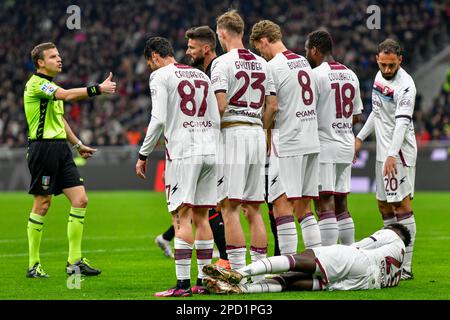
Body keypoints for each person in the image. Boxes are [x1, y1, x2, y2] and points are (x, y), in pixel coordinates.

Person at [135, 37, 221, 297]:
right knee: (202, 216)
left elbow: (158, 118)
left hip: (184, 153)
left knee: (181, 217)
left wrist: (143, 153)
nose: (151, 67)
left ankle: (182, 286)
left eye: (150, 63)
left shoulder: (160, 76)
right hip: (210, 150)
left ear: (154, 57)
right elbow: (215, 115)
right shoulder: (200, 74)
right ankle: (204, 282)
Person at [24, 42, 116, 278]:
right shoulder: (37, 84)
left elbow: (60, 121)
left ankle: (74, 261)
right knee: (42, 204)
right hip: (42, 149)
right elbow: (65, 96)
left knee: (80, 199)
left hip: (60, 151)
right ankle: (33, 264)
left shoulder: (51, 86)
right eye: (53, 56)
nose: (59, 59)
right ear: (40, 63)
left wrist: (77, 145)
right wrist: (97, 89)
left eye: (59, 55)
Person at [153, 26, 230, 269]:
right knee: (204, 207)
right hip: (212, 144)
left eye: (191, 47)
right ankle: (222, 263)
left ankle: (225, 261)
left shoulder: (216, 69)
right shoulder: (201, 72)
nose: (187, 52)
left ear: (206, 48)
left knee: (208, 207)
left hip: (220, 142)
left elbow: (219, 109)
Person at [211, 10, 277, 280]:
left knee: (230, 206)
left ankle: (237, 271)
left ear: (223, 33)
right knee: (254, 207)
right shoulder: (263, 64)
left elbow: (221, 105)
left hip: (233, 134)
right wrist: (262, 129)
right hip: (256, 134)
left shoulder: (222, 63)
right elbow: (272, 105)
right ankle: (259, 271)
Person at [249, 20, 322, 254]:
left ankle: (288, 266)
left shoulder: (273, 67)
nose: (261, 53)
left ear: (264, 40)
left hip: (289, 141)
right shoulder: (303, 62)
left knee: (281, 205)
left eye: (260, 49)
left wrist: (261, 129)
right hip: (310, 138)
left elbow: (272, 107)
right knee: (304, 207)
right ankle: (317, 262)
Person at [355, 39, 417, 280]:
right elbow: (377, 112)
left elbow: (402, 122)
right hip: (384, 151)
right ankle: (393, 256)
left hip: (399, 152)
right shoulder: (379, 78)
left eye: (391, 65)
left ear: (400, 60)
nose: (387, 70)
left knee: (401, 205)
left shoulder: (406, 86)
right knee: (383, 205)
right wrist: (359, 138)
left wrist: (392, 154)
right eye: (383, 65)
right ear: (377, 60)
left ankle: (406, 266)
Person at [202, 223, 411, 293]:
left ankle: (239, 273)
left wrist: (336, 251)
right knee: (294, 282)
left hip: (359, 260)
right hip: (364, 283)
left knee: (300, 260)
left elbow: (361, 245)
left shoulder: (393, 235)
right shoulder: (399, 272)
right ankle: (244, 289)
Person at [305, 30, 363, 246]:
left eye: (307, 50)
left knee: (324, 203)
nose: (306, 55)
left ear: (314, 50)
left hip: (325, 145)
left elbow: (307, 112)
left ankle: (329, 259)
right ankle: (349, 254)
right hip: (346, 144)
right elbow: (357, 115)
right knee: (342, 203)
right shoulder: (351, 74)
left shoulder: (316, 75)